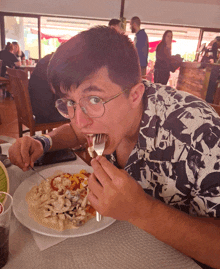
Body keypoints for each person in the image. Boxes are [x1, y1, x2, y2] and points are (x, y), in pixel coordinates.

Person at [8, 26, 220, 269]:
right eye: (70, 102)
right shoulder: (98, 121)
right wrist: (43, 142)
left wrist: (142, 211)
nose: (79, 120)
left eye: (94, 99)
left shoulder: (201, 131)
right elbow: (78, 130)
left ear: (134, 95)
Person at [28, 53, 69, 124]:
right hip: (48, 113)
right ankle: (80, 134)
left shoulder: (45, 60)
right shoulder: (58, 64)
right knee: (76, 112)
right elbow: (59, 90)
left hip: (34, 109)